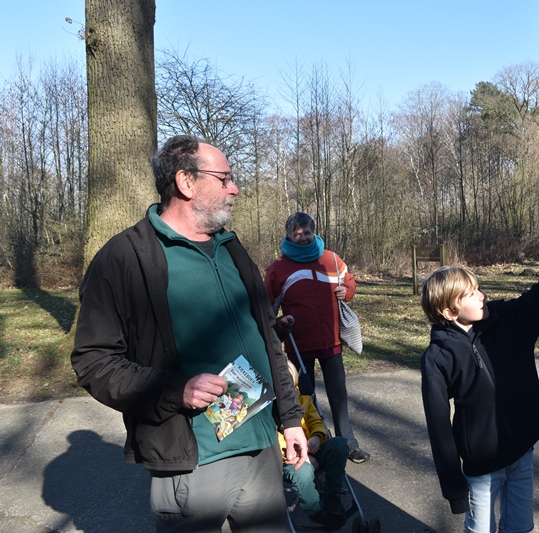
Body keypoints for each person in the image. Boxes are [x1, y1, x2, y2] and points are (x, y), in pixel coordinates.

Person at [71, 134, 307, 532]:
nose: (235, 188)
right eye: (225, 178)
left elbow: (268, 336)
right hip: (193, 460)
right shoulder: (124, 258)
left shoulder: (232, 248)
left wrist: (291, 418)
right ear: (186, 183)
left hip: (263, 449)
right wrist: (174, 389)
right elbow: (93, 360)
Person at [419, 203, 539, 533]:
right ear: (449, 312)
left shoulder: (510, 320)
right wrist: (454, 491)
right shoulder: (438, 358)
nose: (482, 296)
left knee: (520, 528)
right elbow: (438, 428)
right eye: (471, 294)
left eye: (478, 288)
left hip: (522, 453)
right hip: (482, 468)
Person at [265, 212, 370, 464]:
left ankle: (348, 444)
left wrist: (348, 291)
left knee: (339, 395)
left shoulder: (331, 259)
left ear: (314, 232)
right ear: (288, 235)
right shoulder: (278, 269)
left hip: (331, 342)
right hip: (298, 346)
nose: (303, 238)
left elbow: (350, 281)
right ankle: (312, 445)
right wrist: (277, 324)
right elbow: (266, 308)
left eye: (307, 232)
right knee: (304, 400)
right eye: (297, 234)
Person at [279, 361, 349, 531]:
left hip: (314, 448)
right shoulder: (270, 409)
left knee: (339, 444)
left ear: (295, 381)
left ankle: (333, 495)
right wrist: (300, 456)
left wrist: (317, 436)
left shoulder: (304, 401)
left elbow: (316, 421)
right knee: (302, 472)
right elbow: (275, 437)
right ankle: (316, 511)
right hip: (290, 458)